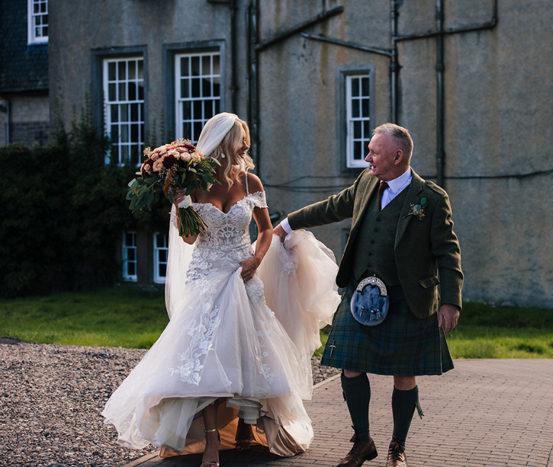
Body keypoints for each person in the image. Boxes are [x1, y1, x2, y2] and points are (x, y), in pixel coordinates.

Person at [102, 113, 339, 467]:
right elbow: (190, 238)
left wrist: (258, 260)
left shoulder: (251, 181)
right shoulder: (190, 183)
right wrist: (181, 203)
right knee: (208, 359)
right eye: (241, 138)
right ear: (224, 142)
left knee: (249, 353)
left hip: (243, 274)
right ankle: (212, 441)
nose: (246, 145)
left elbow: (265, 231)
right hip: (207, 275)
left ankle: (246, 424)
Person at [274, 123, 463, 467]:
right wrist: (287, 224)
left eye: (374, 152)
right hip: (360, 293)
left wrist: (450, 301)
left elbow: (448, 253)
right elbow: (333, 206)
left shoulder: (431, 199)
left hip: (407, 298)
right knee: (348, 365)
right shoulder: (365, 183)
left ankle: (397, 448)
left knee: (404, 374)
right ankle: (362, 442)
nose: (367, 158)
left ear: (397, 155)